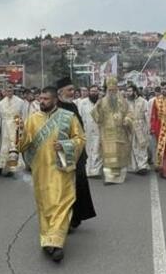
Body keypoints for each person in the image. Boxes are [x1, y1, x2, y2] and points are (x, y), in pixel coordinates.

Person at [17, 85, 86, 262]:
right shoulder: (32, 119)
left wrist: (65, 145)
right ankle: (47, 240)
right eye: (40, 99)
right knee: (46, 206)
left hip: (62, 169)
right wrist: (20, 132)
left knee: (62, 204)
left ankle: (56, 244)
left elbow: (80, 139)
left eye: (45, 99)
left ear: (55, 100)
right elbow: (23, 146)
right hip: (41, 171)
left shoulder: (68, 117)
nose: (42, 102)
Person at [56, 77, 97, 229]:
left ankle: (75, 216)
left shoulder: (72, 106)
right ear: (60, 92)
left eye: (74, 90)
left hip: (76, 151)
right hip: (60, 152)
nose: (73, 93)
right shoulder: (55, 107)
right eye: (70, 90)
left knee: (78, 185)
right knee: (63, 188)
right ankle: (63, 219)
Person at [93, 77, 133, 184]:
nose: (112, 92)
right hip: (107, 134)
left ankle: (119, 178)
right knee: (108, 156)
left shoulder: (122, 101)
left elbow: (129, 112)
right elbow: (96, 116)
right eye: (110, 90)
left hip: (120, 133)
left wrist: (127, 119)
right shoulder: (102, 101)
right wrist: (97, 107)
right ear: (107, 90)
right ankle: (109, 178)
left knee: (120, 154)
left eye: (113, 90)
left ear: (117, 90)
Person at [0, 84, 28, 177]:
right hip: (5, 127)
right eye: (7, 90)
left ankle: (14, 169)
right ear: (4, 92)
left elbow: (24, 115)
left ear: (13, 91)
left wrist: (23, 126)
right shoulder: (1, 103)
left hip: (16, 125)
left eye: (10, 90)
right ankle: (6, 168)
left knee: (14, 147)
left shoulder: (20, 102)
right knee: (5, 147)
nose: (9, 92)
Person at [77, 85, 103, 178]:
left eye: (95, 91)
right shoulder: (83, 103)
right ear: (89, 92)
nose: (94, 93)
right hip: (86, 129)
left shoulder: (102, 102)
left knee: (97, 150)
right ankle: (88, 171)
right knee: (88, 151)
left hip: (99, 130)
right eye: (92, 91)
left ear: (98, 92)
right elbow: (78, 116)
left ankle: (96, 171)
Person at [126, 84, 151, 174]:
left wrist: (148, 127)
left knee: (142, 146)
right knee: (132, 147)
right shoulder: (126, 102)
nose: (128, 93)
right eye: (127, 91)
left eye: (130, 91)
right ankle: (135, 166)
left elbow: (147, 115)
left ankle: (143, 166)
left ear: (135, 92)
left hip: (141, 126)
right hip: (130, 127)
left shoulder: (143, 101)